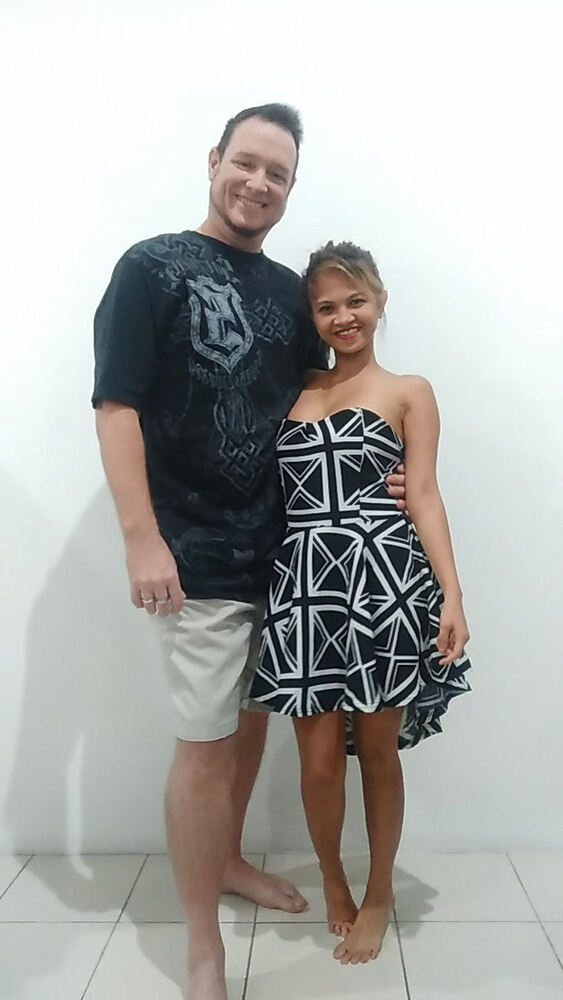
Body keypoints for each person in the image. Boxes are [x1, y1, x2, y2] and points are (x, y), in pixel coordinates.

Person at [92, 104, 407, 999]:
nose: (258, 183)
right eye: (247, 162)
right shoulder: (150, 266)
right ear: (214, 161)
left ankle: (228, 860)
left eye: (278, 173)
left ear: (290, 188)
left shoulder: (286, 291)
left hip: (297, 558)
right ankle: (202, 945)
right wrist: (142, 539)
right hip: (194, 554)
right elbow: (116, 405)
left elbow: (329, 394)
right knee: (204, 742)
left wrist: (387, 471)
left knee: (253, 724)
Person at [250, 241, 471, 966]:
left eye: (355, 301)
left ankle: (379, 894)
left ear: (378, 302)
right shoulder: (293, 389)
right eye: (326, 306)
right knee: (317, 762)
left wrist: (451, 595)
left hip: (385, 583)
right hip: (304, 589)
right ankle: (332, 877)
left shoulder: (408, 390)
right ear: (312, 317)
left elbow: (424, 494)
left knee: (377, 753)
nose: (343, 317)